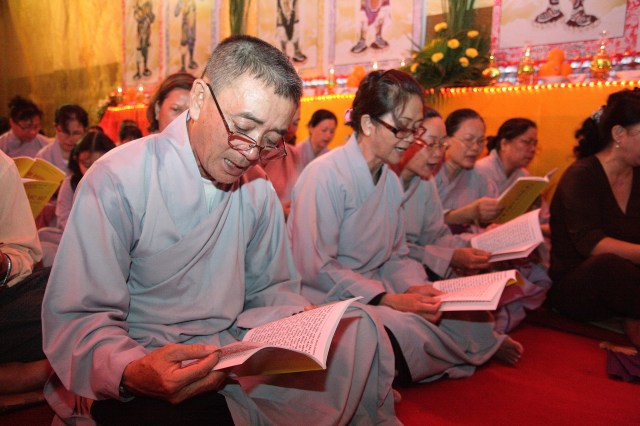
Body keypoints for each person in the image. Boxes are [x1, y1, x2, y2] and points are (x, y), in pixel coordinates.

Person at [42, 35, 398, 425]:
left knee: (358, 329)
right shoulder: (118, 178)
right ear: (198, 99)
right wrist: (131, 371)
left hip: (231, 354)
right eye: (243, 128)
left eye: (270, 141)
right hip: (149, 356)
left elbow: (271, 289)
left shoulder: (258, 188)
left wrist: (298, 318)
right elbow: (81, 316)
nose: (251, 153)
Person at [288, 69, 522, 389]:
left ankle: (382, 376)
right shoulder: (324, 175)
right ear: (368, 124)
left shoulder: (389, 181)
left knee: (459, 314)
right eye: (402, 128)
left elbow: (397, 255)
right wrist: (386, 299)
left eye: (416, 129)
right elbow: (316, 267)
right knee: (399, 330)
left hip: (380, 286)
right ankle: (376, 379)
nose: (411, 139)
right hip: (331, 296)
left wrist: (414, 288)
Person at [549, 89, 640, 347]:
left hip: (629, 279)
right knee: (607, 265)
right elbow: (592, 245)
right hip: (581, 285)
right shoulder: (581, 176)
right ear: (619, 134)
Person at [391, 107, 492, 281]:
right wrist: (448, 257)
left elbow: (436, 235)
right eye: (430, 145)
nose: (438, 154)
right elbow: (390, 249)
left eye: (442, 145)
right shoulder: (382, 181)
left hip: (412, 269)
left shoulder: (426, 181)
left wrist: (476, 242)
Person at [0, 150, 52, 395]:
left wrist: (4, 263)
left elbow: (21, 252)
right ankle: (50, 369)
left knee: (67, 287)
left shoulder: (2, 167)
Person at [38, 131, 117, 267]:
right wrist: (84, 235)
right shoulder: (70, 183)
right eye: (87, 164)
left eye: (99, 164)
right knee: (42, 237)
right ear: (76, 159)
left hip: (108, 239)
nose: (92, 170)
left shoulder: (117, 183)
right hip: (74, 236)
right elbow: (64, 218)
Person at [434, 108, 501, 232]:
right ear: (446, 140)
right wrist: (467, 214)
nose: (475, 147)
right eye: (468, 140)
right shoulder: (429, 174)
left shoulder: (480, 177)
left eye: (480, 141)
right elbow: (423, 222)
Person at [262, 106, 303, 217]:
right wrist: (277, 210)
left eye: (295, 123)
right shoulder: (251, 153)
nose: (290, 129)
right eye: (286, 122)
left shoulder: (294, 154)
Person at [35, 104, 89, 172]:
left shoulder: (90, 156)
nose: (70, 138)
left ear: (85, 131)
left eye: (76, 133)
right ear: (56, 128)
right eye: (65, 132)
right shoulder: (43, 157)